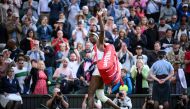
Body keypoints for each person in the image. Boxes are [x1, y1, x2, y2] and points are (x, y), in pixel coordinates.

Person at [87, 10, 121, 109]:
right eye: (89, 36)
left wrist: (100, 17)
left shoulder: (100, 43)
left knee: (90, 94)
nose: (90, 37)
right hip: (101, 71)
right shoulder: (94, 47)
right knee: (101, 95)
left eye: (92, 35)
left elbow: (102, 30)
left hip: (99, 71)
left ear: (98, 37)